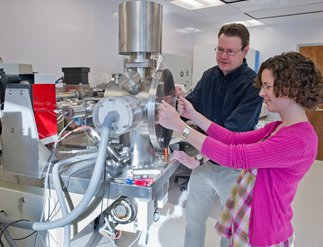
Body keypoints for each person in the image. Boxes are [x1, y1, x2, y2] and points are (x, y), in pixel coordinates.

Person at [158, 51, 323, 246]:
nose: (261, 93)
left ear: (291, 89)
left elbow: (232, 156)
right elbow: (232, 139)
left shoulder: (298, 140)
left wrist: (180, 127)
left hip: (265, 232)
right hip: (249, 218)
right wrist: (193, 115)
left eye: (268, 86)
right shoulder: (279, 127)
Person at [175, 23, 263, 247]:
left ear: (245, 51)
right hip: (203, 166)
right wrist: (177, 100)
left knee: (230, 229)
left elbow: (233, 133)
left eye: (230, 51)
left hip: (232, 168)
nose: (223, 56)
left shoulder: (253, 85)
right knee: (193, 221)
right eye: (220, 49)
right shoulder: (209, 76)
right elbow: (191, 106)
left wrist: (198, 156)